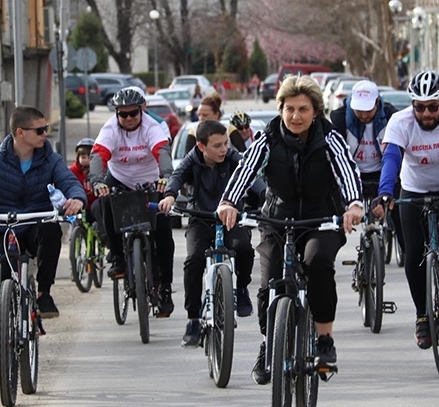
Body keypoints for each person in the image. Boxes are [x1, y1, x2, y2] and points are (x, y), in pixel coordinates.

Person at [216, 74, 363, 384]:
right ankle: (270, 343)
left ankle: (324, 340)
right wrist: (229, 201)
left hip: (320, 220)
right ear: (280, 109)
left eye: (304, 109)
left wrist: (353, 205)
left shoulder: (330, 138)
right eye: (290, 109)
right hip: (277, 220)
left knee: (317, 263)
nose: (296, 116)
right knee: (269, 284)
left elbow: (346, 170)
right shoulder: (267, 139)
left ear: (316, 112)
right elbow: (246, 170)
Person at [0, 106, 85, 377]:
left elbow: (69, 181)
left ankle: (43, 293)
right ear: (20, 133)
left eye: (46, 129)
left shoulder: (49, 159)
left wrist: (77, 197)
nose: (45, 134)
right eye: (40, 130)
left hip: (34, 223)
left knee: (52, 230)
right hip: (1, 225)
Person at [372, 70, 439, 351]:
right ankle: (422, 316)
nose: (426, 114)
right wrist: (385, 192)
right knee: (412, 252)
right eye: (419, 107)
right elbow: (392, 157)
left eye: (433, 107)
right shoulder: (401, 121)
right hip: (415, 189)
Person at [158, 120, 263, 346]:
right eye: (217, 145)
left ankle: (241, 288)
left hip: (231, 218)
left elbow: (252, 178)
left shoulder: (234, 158)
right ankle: (193, 320)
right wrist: (169, 195)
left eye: (225, 143)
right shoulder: (191, 160)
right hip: (201, 220)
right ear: (201, 146)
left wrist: (265, 197)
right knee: (194, 260)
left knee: (243, 248)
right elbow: (176, 177)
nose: (224, 149)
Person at [90, 86, 176, 317]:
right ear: (116, 114)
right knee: (105, 202)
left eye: (133, 114)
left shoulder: (152, 127)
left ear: (141, 111)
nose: (128, 119)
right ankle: (118, 256)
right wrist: (97, 181)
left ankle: (165, 287)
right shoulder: (110, 129)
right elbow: (98, 155)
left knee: (164, 229)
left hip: (150, 180)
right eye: (123, 114)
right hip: (119, 178)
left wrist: (166, 176)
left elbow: (162, 152)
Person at [330, 80, 403, 258]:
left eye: (368, 110)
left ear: (377, 103)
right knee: (332, 213)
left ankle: (408, 252)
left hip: (383, 173)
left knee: (400, 213)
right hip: (353, 175)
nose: (363, 115)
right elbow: (334, 155)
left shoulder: (391, 116)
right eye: (359, 110)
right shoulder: (339, 118)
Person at [69, 138, 98, 211]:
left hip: (94, 203)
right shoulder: (72, 171)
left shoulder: (98, 170)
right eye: (83, 157)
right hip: (79, 204)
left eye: (90, 157)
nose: (87, 160)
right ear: (77, 157)